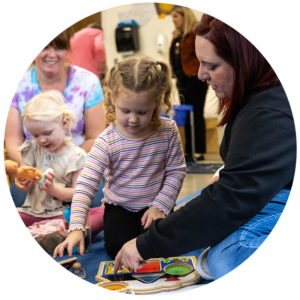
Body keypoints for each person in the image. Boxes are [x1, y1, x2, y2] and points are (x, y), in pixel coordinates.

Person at [113, 13, 297, 281]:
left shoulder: (269, 111)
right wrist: (226, 172)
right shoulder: (256, 97)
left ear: (243, 62)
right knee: (186, 211)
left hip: (279, 197)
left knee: (223, 258)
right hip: (271, 191)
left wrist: (146, 244)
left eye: (210, 65)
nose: (200, 74)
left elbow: (231, 199)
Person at [53, 57, 187, 259]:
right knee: (116, 249)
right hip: (120, 207)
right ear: (112, 100)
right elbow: (86, 184)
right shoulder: (107, 140)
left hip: (155, 206)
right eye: (125, 110)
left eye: (142, 112)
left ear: (157, 103)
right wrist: (77, 227)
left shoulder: (168, 131)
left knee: (159, 247)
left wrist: (160, 205)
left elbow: (176, 171)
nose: (133, 119)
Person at [5, 26, 106, 209]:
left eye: (59, 47)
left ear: (67, 49)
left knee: (96, 204)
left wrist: (67, 163)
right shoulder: (20, 85)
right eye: (44, 47)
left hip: (78, 162)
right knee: (20, 206)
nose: (52, 54)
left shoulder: (88, 81)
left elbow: (96, 137)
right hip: (33, 162)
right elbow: (13, 142)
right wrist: (31, 170)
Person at [15, 90, 103, 237]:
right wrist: (23, 184)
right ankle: (49, 234)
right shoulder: (32, 149)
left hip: (63, 216)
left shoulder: (77, 156)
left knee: (102, 214)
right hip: (32, 214)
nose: (42, 140)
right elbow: (21, 182)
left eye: (47, 133)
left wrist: (54, 189)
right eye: (35, 135)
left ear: (64, 123)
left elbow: (79, 194)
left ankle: (47, 234)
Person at [170, 5, 208, 161]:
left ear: (185, 16)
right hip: (181, 80)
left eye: (175, 17)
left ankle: (198, 151)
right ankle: (189, 150)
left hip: (196, 79)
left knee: (196, 114)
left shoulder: (194, 35)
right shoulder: (176, 37)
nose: (173, 20)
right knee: (186, 115)